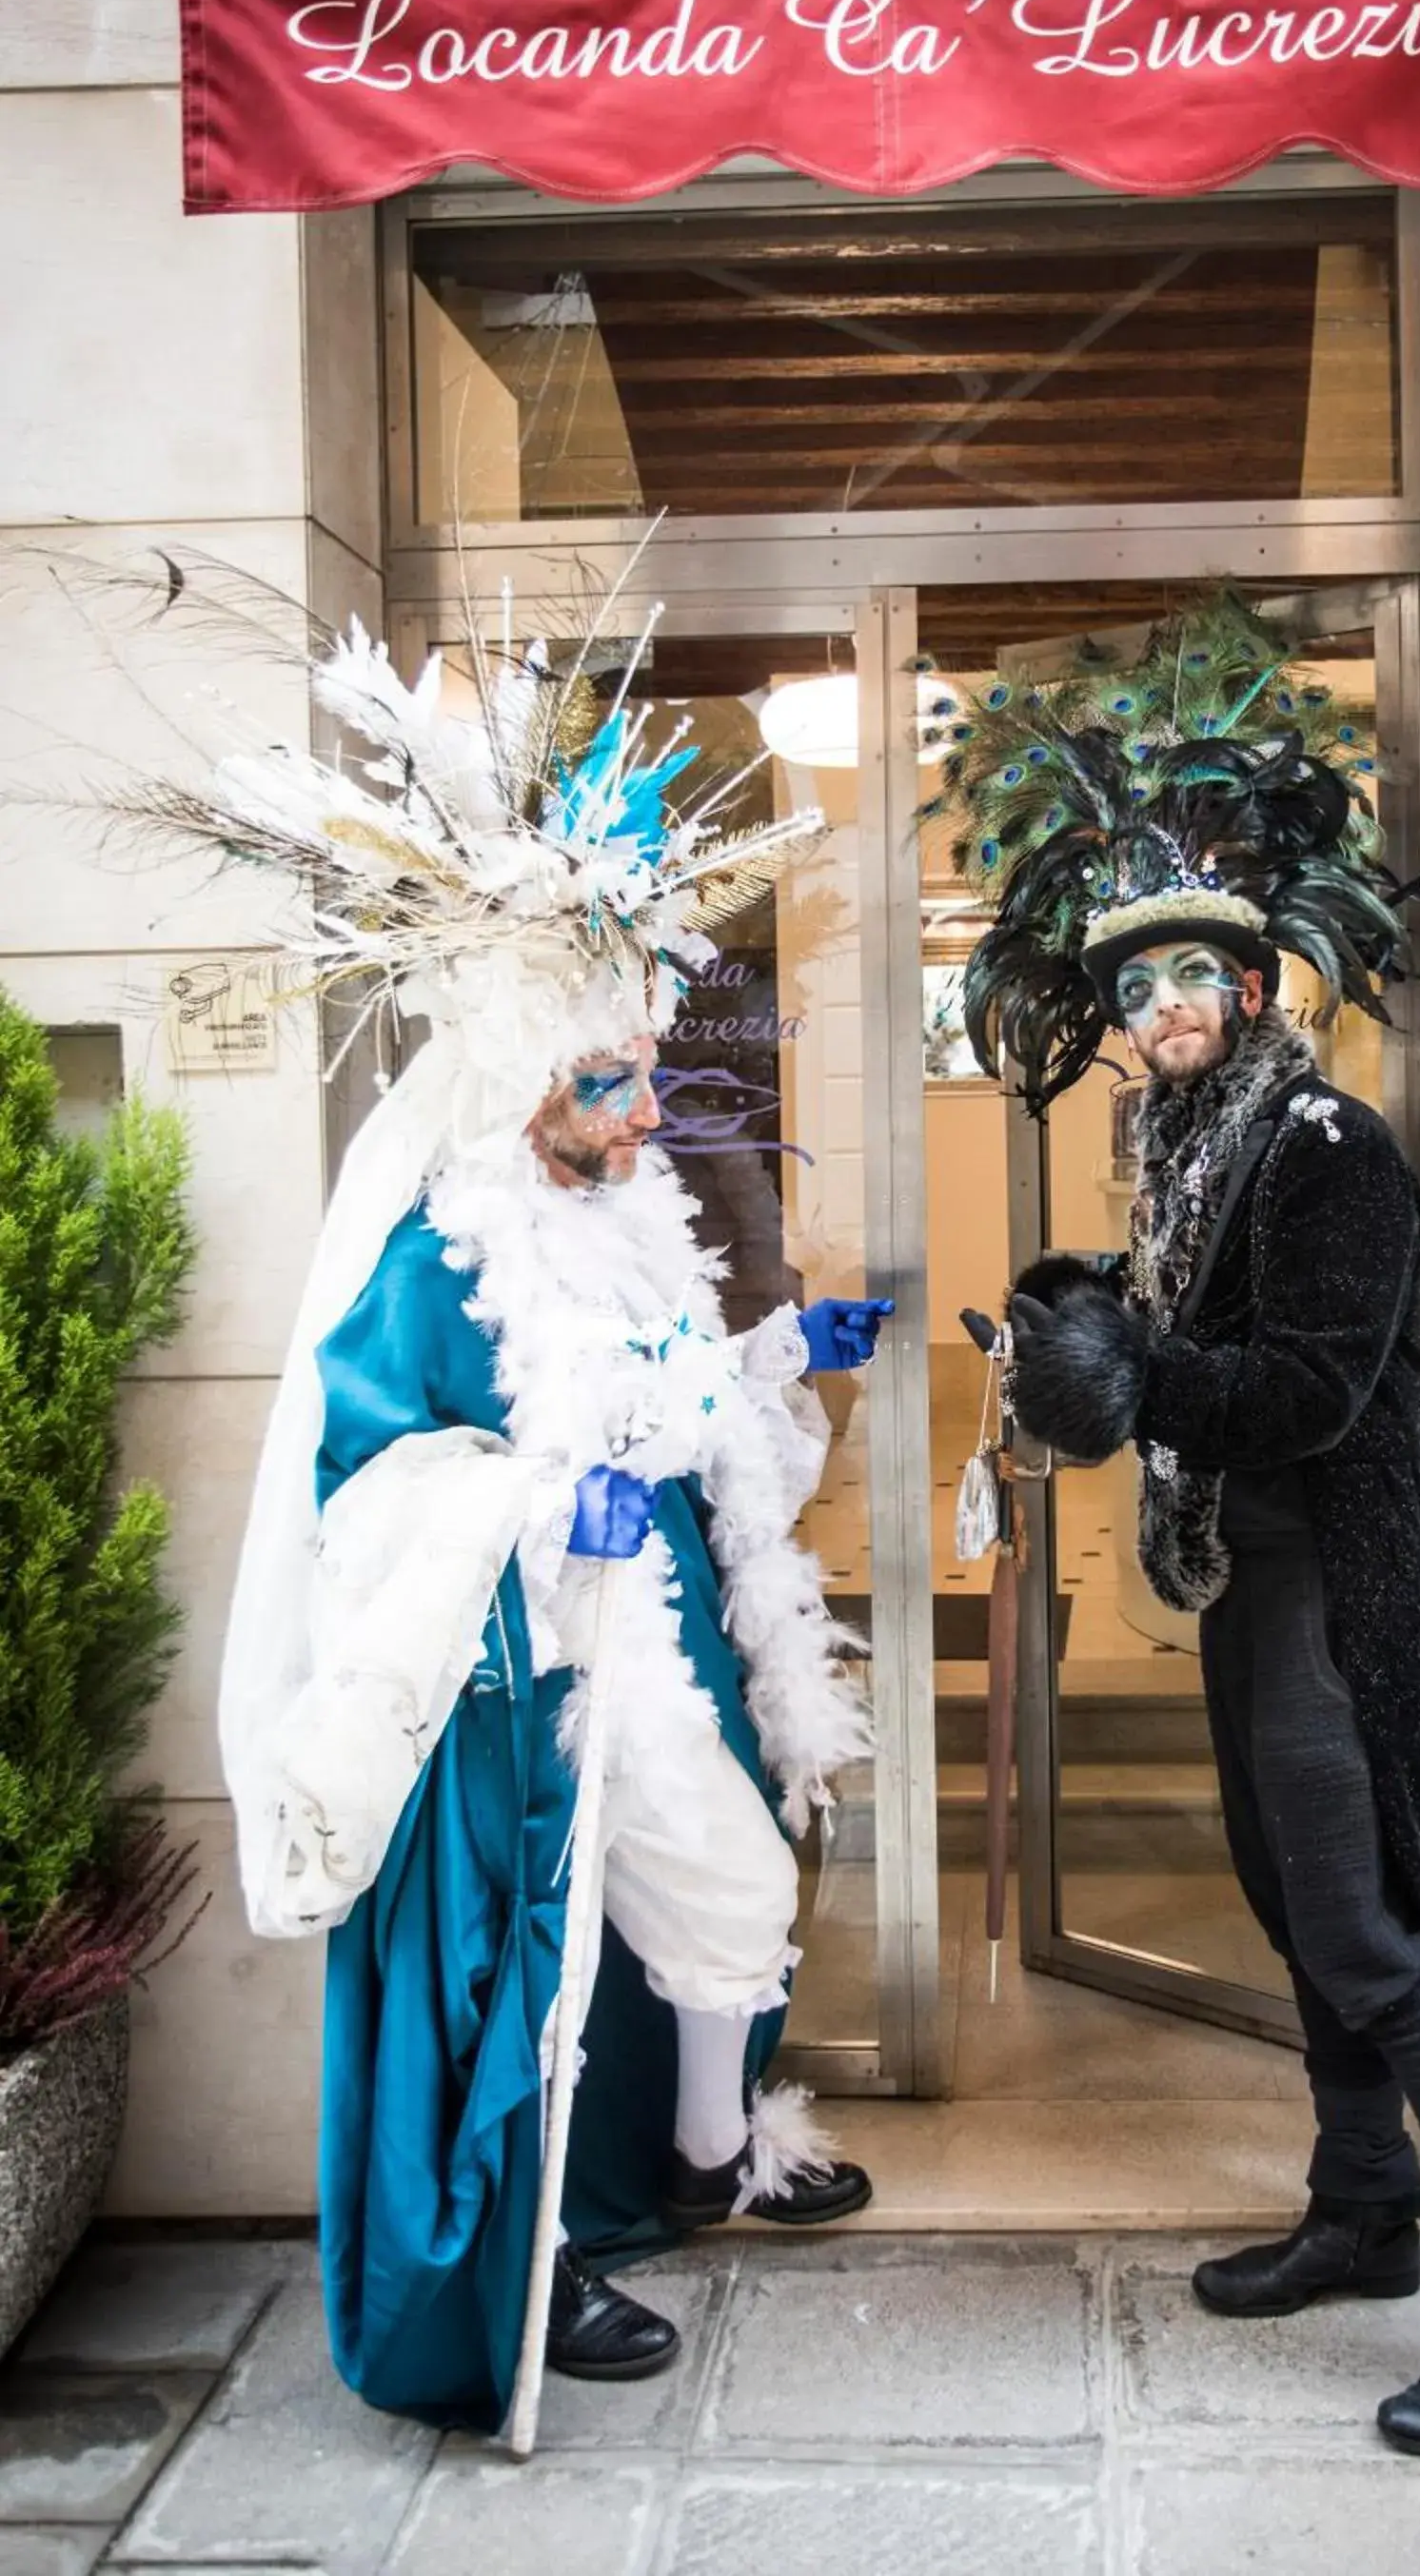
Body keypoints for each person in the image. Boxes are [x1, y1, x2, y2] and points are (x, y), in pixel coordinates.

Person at [106, 583, 888, 2434]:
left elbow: (666, 1398)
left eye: (636, 1078)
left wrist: (773, 1357)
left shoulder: (628, 1217)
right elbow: (374, 1477)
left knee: (719, 1898)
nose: (638, 1118)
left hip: (644, 1635)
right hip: (504, 1689)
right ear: (520, 1081)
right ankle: (523, 2268)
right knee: (526, 1980)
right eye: (602, 1085)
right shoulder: (429, 1255)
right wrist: (547, 1500)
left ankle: (701, 2153)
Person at [933, 596, 1420, 2458]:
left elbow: (1307, 1388)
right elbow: (1191, 1338)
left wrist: (1130, 1373)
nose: (1162, 1012)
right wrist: (1085, 1309)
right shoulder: (1180, 1150)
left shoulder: (1325, 1149)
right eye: (1134, 992)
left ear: (1253, 982)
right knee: (1297, 1913)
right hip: (1245, 1571)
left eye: (1192, 978)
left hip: (1338, 1571)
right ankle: (1363, 2215)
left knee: (1370, 1929)